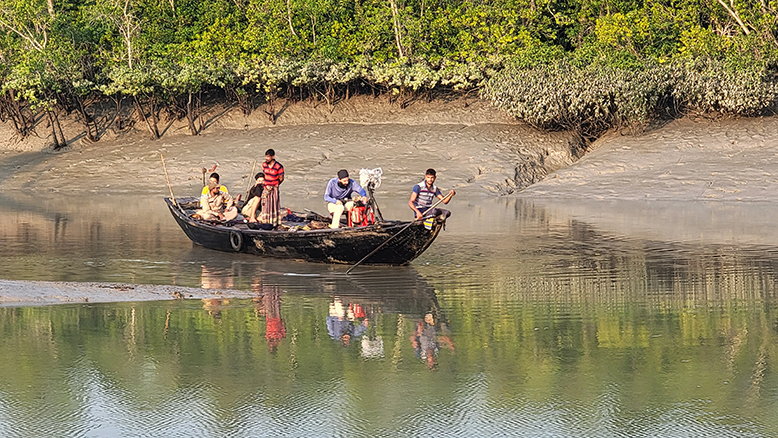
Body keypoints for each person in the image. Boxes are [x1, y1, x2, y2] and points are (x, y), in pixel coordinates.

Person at [259, 149, 284, 227]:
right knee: (265, 205)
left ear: (273, 157)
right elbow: (265, 174)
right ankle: (266, 221)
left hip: (274, 188)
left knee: (274, 205)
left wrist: (275, 185)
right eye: (266, 157)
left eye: (268, 157)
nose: (266, 158)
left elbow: (281, 178)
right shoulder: (264, 165)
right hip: (266, 188)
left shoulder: (278, 166)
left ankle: (274, 222)